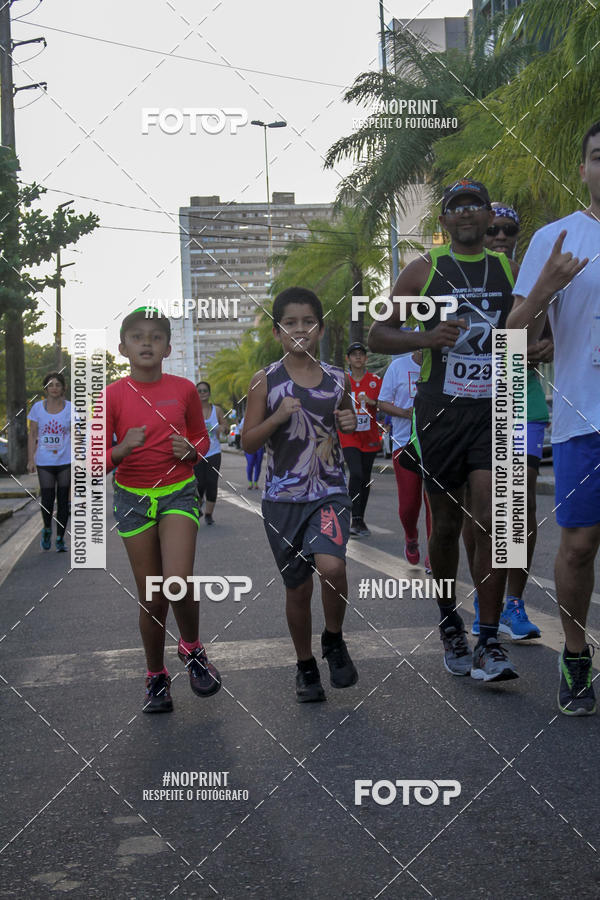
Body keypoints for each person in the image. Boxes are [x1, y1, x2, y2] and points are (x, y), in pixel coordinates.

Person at [369, 179, 534, 683]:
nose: (466, 214)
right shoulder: (425, 269)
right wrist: (426, 336)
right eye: (456, 207)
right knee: (444, 525)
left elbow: (527, 329)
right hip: (440, 413)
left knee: (488, 520)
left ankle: (487, 641)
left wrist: (535, 346)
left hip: (494, 411)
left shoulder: (508, 269)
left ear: (489, 217)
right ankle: (448, 621)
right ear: (443, 222)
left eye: (475, 206)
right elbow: (377, 332)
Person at [507, 122, 597, 715]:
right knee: (579, 547)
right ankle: (574, 652)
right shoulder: (557, 238)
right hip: (582, 419)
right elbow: (515, 340)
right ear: (584, 167)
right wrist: (543, 288)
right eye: (599, 156)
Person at [242, 287, 358, 702]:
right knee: (298, 588)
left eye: (307, 321)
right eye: (289, 323)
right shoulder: (265, 381)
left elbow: (349, 423)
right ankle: (306, 665)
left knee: (332, 567)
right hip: (282, 499)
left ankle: (333, 638)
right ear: (277, 332)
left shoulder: (338, 378)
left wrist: (349, 420)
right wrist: (277, 416)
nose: (299, 329)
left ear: (320, 328)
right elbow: (249, 442)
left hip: (329, 491)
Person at [104, 307, 220, 713]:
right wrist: (122, 449)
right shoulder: (113, 394)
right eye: (137, 336)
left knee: (178, 580)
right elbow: (94, 459)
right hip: (132, 499)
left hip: (177, 492)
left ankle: (191, 648)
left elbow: (202, 439)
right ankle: (155, 676)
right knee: (152, 597)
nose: (147, 342)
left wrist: (192, 449)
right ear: (123, 348)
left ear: (168, 347)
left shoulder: (184, 389)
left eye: (155, 336)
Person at [465, 203, 550, 640]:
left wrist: (541, 349)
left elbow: (556, 338)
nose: (500, 236)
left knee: (522, 506)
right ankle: (484, 596)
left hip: (521, 395)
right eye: (493, 228)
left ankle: (513, 603)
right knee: (478, 512)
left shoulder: (533, 274)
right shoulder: (462, 274)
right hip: (471, 400)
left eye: (508, 229)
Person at [378, 350, 432, 569]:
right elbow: (382, 403)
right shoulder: (398, 366)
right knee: (409, 505)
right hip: (404, 443)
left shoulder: (441, 366)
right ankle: (411, 535)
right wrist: (405, 413)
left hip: (433, 445)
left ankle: (434, 556)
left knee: (433, 504)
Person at [338, 342, 382, 536]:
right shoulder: (342, 381)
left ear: (365, 358)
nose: (358, 357)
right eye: (354, 354)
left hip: (369, 436)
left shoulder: (375, 381)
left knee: (365, 478)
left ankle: (359, 520)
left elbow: (385, 403)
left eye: (361, 354)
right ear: (348, 359)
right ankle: (353, 518)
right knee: (355, 473)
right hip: (349, 436)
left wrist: (372, 402)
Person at [27, 372, 72, 552]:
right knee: (47, 499)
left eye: (57, 384)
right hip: (44, 461)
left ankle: (60, 538)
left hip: (65, 460)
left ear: (63, 388)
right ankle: (47, 528)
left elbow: (77, 435)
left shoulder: (71, 408)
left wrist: (81, 459)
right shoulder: (37, 408)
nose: (54, 387)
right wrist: (31, 459)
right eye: (50, 385)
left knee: (63, 501)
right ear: (45, 388)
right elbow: (32, 435)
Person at [193, 381, 226, 525]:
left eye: (205, 390)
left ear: (209, 392)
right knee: (199, 484)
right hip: (197, 453)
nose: (202, 393)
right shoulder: (192, 410)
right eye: (199, 391)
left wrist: (222, 429)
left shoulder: (216, 410)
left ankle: (208, 514)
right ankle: (198, 506)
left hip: (214, 452)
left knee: (212, 483)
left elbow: (224, 424)